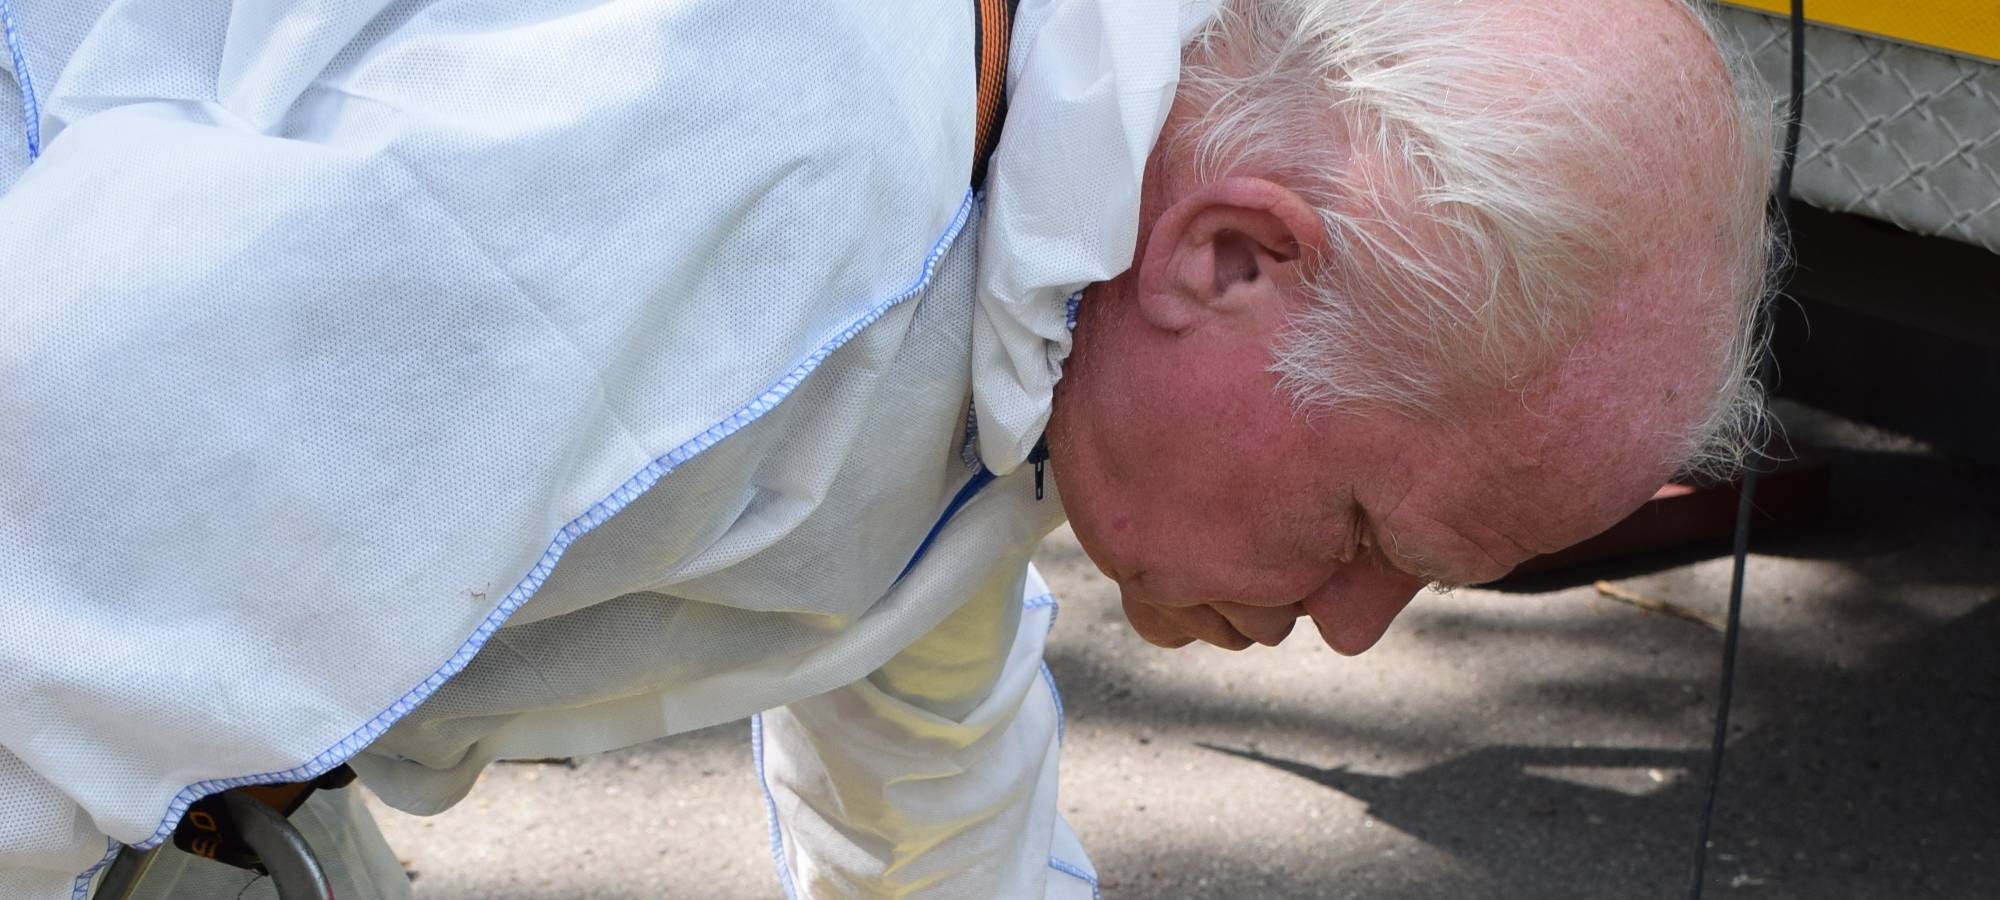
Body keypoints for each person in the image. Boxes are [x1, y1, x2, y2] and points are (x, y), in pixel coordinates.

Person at [0, 0, 1772, 897]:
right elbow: (31, 614)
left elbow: (927, 761)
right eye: (1373, 529)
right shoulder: (758, 171)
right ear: (1233, 257)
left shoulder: (1051, 248)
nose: (1364, 631)